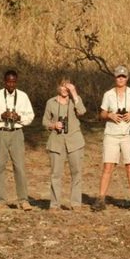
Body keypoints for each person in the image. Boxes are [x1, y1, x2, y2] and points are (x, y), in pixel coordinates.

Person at [0, 69, 35, 210]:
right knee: (0, 166)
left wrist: (19, 118)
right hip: (0, 132)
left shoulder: (23, 97)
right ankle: (0, 200)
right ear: (4, 82)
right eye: (8, 81)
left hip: (17, 132)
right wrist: (1, 115)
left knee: (20, 167)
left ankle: (23, 200)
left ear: (16, 82)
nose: (11, 84)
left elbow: (30, 116)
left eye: (13, 82)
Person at [93, 65, 130, 212]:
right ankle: (101, 198)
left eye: (123, 76)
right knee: (108, 166)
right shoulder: (108, 94)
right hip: (112, 134)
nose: (121, 79)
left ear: (127, 78)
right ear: (115, 78)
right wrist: (109, 115)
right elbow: (101, 114)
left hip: (129, 133)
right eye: (118, 76)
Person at [42, 79, 87, 210]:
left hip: (75, 141)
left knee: (76, 172)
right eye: (62, 85)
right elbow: (45, 121)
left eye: (67, 86)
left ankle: (76, 203)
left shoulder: (75, 100)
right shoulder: (51, 102)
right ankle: (54, 204)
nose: (64, 89)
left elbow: (82, 111)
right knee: (55, 174)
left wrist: (74, 93)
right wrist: (53, 125)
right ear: (58, 87)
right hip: (56, 141)